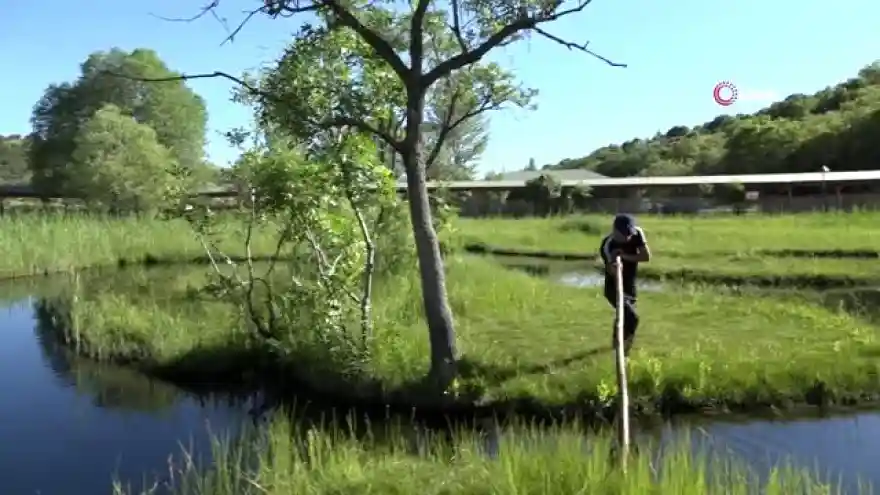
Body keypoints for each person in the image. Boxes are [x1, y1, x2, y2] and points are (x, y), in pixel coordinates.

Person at [599, 214, 651, 356]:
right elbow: (612, 271)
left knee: (624, 316)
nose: (628, 237)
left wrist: (624, 256)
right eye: (624, 234)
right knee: (632, 318)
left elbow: (646, 257)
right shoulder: (607, 245)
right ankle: (624, 351)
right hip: (614, 287)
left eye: (630, 233)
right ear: (615, 231)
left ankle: (617, 344)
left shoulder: (637, 233)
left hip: (630, 285)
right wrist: (616, 266)